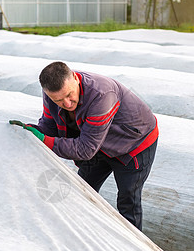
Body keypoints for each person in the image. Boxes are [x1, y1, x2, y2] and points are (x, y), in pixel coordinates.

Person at [10, 61, 158, 230]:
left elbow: (86, 149)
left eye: (69, 95)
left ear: (75, 77)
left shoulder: (101, 94)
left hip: (133, 144)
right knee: (82, 189)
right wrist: (33, 132)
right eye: (58, 99)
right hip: (97, 142)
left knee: (127, 199)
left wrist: (45, 140)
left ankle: (134, 250)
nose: (66, 103)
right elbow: (50, 127)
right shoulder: (52, 94)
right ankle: (82, 233)